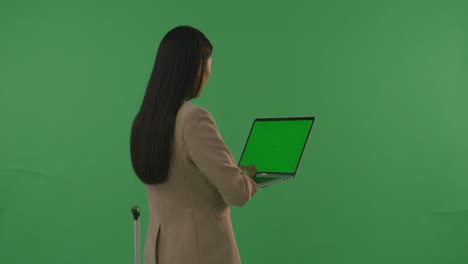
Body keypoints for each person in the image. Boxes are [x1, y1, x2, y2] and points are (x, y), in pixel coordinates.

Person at [130, 25, 259, 264]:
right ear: (196, 68)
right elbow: (237, 193)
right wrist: (248, 179)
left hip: (158, 252)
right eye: (209, 65)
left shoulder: (143, 120)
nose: (209, 74)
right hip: (201, 253)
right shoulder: (193, 118)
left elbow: (182, 179)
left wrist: (235, 171)